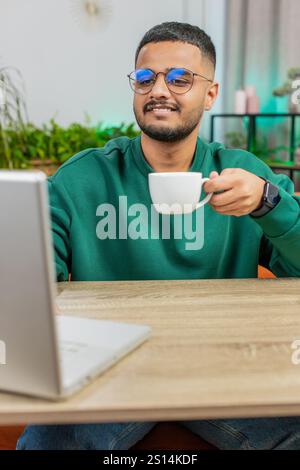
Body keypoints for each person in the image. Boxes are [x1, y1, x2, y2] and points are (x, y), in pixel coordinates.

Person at [17, 21, 300, 450]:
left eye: (180, 78)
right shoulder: (82, 178)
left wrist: (267, 203)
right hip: (110, 368)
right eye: (146, 78)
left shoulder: (244, 174)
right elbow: (33, 277)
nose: (159, 90)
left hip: (222, 366)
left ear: (210, 94)